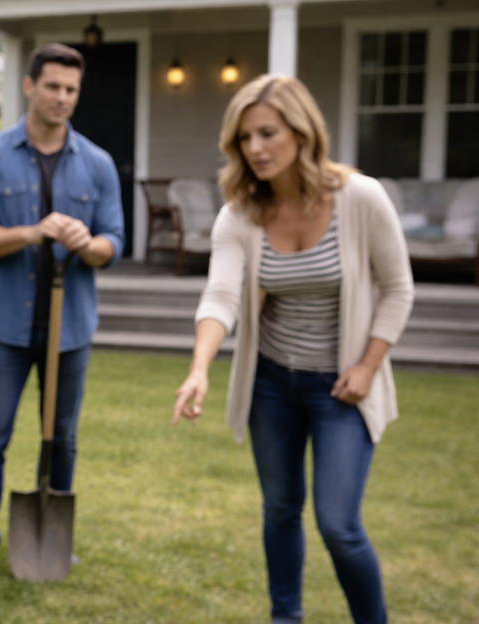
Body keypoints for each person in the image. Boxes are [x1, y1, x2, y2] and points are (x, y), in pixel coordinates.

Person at [172, 74, 413, 624]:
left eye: (267, 133)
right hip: (272, 382)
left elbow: (399, 289)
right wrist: (200, 368)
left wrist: (369, 366)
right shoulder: (240, 212)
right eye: (243, 139)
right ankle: (286, 618)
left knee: (338, 524)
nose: (255, 149)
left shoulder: (360, 198)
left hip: (341, 385)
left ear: (301, 132)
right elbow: (222, 294)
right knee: (280, 509)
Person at [0, 43, 124, 581]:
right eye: (52, 86)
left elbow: (114, 243)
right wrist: (35, 231)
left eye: (71, 89)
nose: (62, 98)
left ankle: (55, 534)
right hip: (5, 324)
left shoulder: (97, 163)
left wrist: (85, 243)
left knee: (63, 437)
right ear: (29, 86)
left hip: (69, 330)